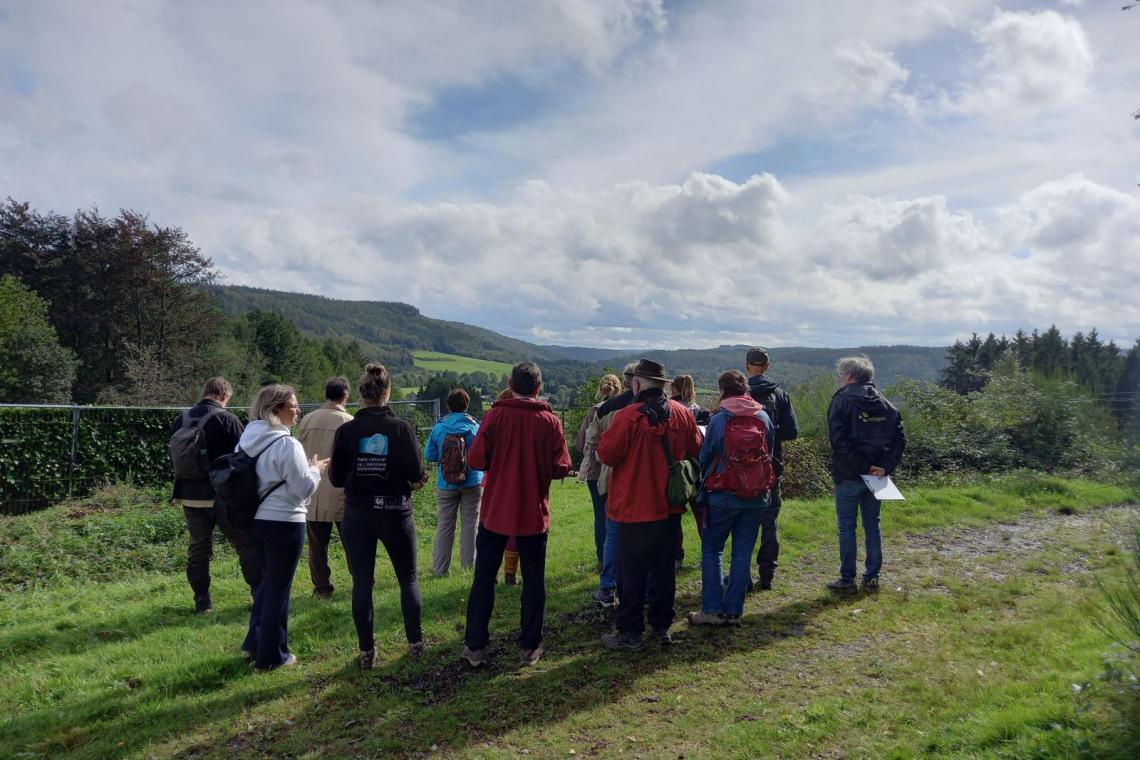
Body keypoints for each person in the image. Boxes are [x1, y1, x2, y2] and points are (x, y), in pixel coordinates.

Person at [461, 362, 572, 668]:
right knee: (534, 579)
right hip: (533, 514)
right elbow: (563, 465)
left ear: (511, 384)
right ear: (539, 387)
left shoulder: (495, 416)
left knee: (484, 577)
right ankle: (529, 646)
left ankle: (476, 646)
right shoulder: (550, 422)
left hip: (496, 512)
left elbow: (476, 459)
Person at [597, 359, 702, 651]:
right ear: (663, 385)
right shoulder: (683, 414)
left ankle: (630, 632)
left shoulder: (628, 416)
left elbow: (608, 453)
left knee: (631, 573)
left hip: (633, 507)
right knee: (664, 569)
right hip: (669, 506)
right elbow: (696, 449)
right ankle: (661, 626)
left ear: (638, 384)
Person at [330, 364, 428, 668]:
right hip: (395, 512)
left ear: (361, 394)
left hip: (358, 513)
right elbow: (416, 472)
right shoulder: (400, 428)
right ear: (387, 393)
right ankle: (415, 643)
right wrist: (416, 478)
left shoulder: (347, 430)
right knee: (408, 578)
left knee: (362, 582)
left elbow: (335, 478)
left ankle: (367, 651)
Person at [239, 384, 325, 671]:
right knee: (278, 589)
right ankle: (273, 656)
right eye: (293, 406)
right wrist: (316, 469)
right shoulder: (287, 444)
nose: (298, 411)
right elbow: (303, 488)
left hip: (255, 520)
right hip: (285, 522)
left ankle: (253, 644)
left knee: (267, 585)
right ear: (276, 410)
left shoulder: (247, 439)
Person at [687, 370, 773, 626]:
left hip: (723, 495)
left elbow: (705, 455)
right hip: (757, 496)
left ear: (722, 390)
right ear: (746, 389)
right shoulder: (763, 416)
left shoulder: (719, 419)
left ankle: (712, 610)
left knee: (713, 550)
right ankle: (734, 611)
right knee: (742, 552)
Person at [170, 376, 260, 614]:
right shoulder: (227, 419)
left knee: (198, 547)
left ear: (205, 392)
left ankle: (202, 603)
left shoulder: (183, 418)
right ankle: (258, 595)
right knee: (244, 543)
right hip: (223, 495)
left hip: (188, 493)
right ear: (224, 396)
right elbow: (244, 457)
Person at [825, 356, 906, 594]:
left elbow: (838, 441)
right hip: (877, 477)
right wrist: (883, 467)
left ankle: (847, 580)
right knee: (873, 526)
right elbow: (900, 440)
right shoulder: (886, 404)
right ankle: (872, 578)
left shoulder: (840, 401)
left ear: (849, 375)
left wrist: (862, 466)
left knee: (847, 527)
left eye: (841, 374)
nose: (840, 378)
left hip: (849, 475)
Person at [744, 347, 799, 591]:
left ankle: (740, 575)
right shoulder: (780, 395)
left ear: (748, 366)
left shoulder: (738, 393)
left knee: (743, 523)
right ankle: (767, 576)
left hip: (741, 469)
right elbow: (792, 432)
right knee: (770, 522)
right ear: (767, 366)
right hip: (772, 466)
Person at [584, 362, 638, 607]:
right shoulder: (666, 409)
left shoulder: (607, 409)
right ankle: (642, 588)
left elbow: (591, 440)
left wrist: (602, 455)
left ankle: (608, 584)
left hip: (612, 474)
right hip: (648, 481)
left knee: (611, 528)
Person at [297, 377, 354, 598]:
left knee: (317, 546)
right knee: (351, 542)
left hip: (313, 489)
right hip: (340, 491)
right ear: (345, 395)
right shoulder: (348, 420)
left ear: (325, 394)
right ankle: (360, 579)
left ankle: (321, 587)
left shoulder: (307, 420)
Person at [424, 388, 484, 576]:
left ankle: (440, 569)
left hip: (446, 483)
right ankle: (469, 567)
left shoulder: (439, 427)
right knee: (470, 524)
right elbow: (483, 456)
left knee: (445, 525)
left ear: (448, 406)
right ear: (467, 405)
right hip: (472, 482)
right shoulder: (475, 427)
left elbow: (429, 455)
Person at [576, 373, 622, 570]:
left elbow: (580, 444)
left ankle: (602, 558)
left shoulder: (594, 411)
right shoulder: (624, 410)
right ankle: (618, 557)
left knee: (599, 515)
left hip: (596, 470)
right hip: (617, 469)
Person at [669, 374, 709, 570]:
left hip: (676, 469)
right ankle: (708, 555)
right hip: (698, 468)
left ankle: (676, 557)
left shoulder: (670, 409)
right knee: (701, 513)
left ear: (674, 389)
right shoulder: (702, 412)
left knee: (674, 514)